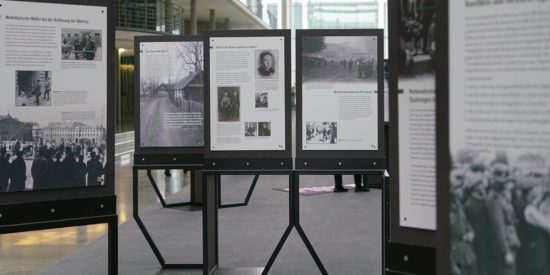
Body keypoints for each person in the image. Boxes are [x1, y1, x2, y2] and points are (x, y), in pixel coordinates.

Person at [487, 161, 520, 275]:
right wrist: (506, 251)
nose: (506, 183)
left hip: (510, 241)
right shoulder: (494, 198)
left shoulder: (501, 196)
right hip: (505, 246)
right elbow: (498, 227)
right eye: (503, 180)